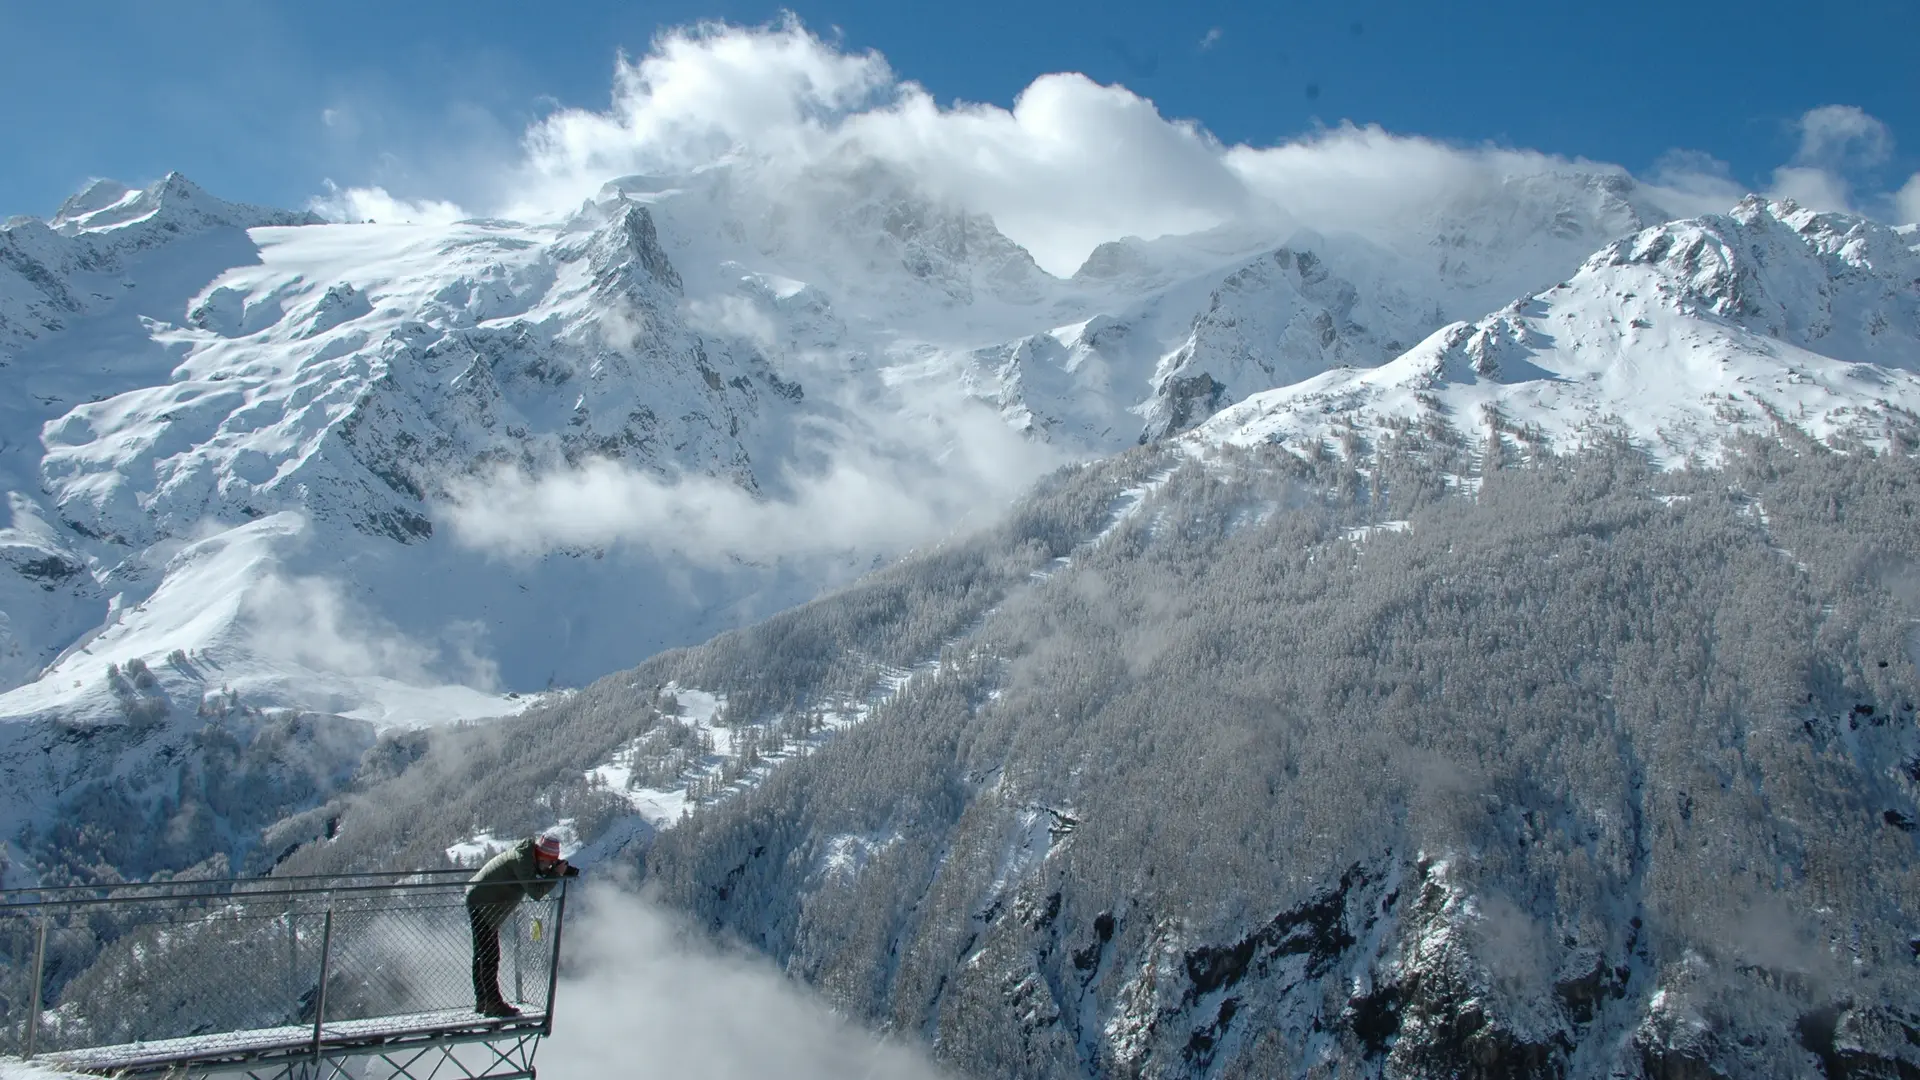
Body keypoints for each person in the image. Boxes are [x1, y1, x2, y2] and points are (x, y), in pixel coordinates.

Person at [465, 834, 579, 1017]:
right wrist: (555, 874)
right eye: (549, 862)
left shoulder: (527, 857)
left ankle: (484, 1002)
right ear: (541, 856)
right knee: (488, 955)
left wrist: (555, 871)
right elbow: (536, 892)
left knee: (483, 954)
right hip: (483, 903)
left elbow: (537, 875)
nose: (549, 866)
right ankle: (492, 1004)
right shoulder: (522, 861)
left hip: (482, 901)